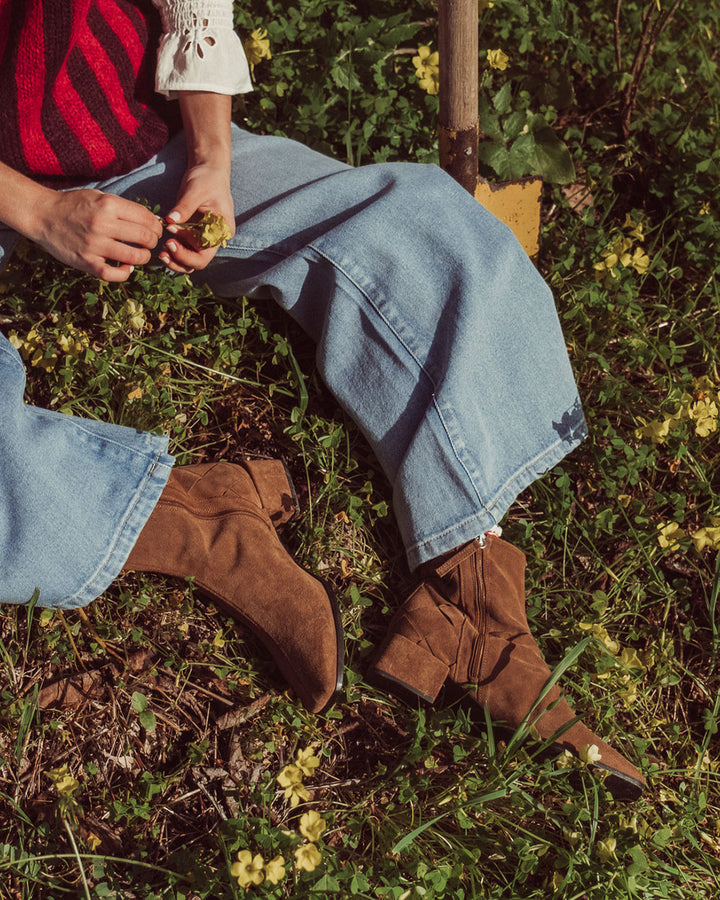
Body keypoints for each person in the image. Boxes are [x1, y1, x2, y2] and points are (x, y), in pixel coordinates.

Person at [0, 0, 644, 798]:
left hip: (130, 146)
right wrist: (36, 209)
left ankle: (473, 606)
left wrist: (210, 158)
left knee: (419, 220)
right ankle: (194, 520)